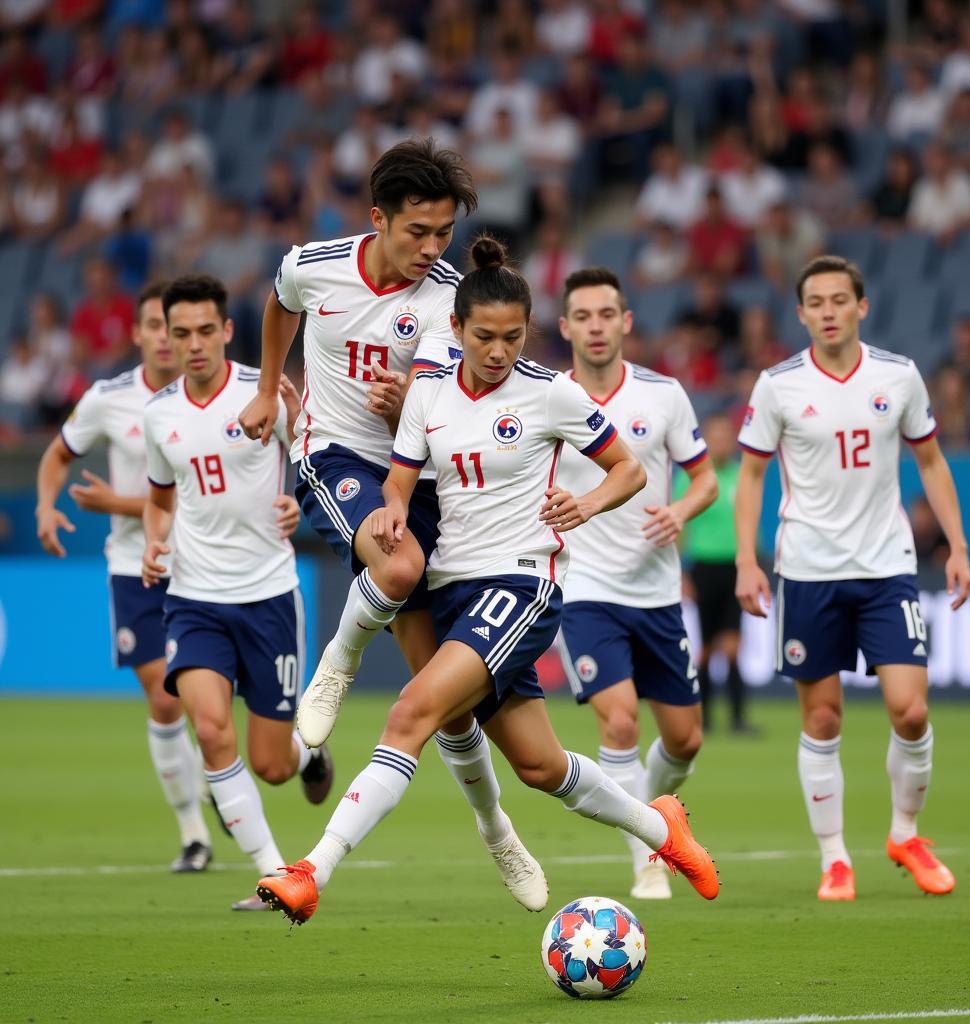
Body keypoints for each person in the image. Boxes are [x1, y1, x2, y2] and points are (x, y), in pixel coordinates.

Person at [255, 237, 720, 924]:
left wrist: (586, 505)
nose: (499, 351)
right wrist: (386, 512)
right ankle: (661, 828)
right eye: (484, 337)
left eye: (511, 336)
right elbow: (401, 483)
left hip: (521, 584)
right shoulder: (427, 397)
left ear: (527, 330)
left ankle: (310, 870)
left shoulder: (551, 393)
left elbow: (629, 468)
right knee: (540, 767)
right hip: (450, 584)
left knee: (412, 712)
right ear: (457, 330)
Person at [238, 138, 546, 910]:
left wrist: (411, 394)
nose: (432, 249)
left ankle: (496, 831)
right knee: (399, 566)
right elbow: (279, 304)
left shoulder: (449, 295)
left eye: (444, 233)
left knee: (447, 700)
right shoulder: (315, 264)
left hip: (419, 475)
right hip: (336, 454)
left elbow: (446, 390)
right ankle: (336, 667)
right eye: (418, 231)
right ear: (379, 218)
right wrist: (271, 387)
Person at [734, 255, 970, 901]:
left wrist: (956, 546)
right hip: (807, 572)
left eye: (841, 300)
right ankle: (834, 858)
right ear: (802, 312)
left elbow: (930, 459)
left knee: (911, 708)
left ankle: (905, 832)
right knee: (822, 720)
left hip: (887, 567)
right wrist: (746, 560)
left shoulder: (899, 376)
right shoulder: (777, 385)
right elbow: (751, 476)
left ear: (862, 307)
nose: (830, 311)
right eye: (817, 301)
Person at [142, 274, 333, 912]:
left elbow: (315, 463)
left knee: (271, 765)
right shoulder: (159, 416)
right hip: (194, 598)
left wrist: (295, 509)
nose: (193, 344)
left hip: (269, 595)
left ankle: (308, 755)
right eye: (180, 332)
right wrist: (153, 539)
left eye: (205, 330)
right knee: (212, 731)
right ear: (167, 338)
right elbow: (160, 498)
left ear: (226, 330)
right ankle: (273, 873)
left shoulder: (267, 393)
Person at [35, 281, 213, 875]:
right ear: (137, 333)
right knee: (166, 696)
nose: (167, 338)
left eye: (176, 327)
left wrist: (119, 504)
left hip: (201, 558)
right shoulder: (108, 398)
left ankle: (238, 765)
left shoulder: (211, 400)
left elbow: (199, 499)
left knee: (206, 697)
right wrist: (45, 505)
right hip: (132, 566)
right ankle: (194, 832)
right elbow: (59, 453)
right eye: (156, 327)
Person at [554, 267, 718, 901]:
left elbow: (703, 477)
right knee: (619, 724)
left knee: (685, 739)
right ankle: (650, 855)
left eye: (606, 314)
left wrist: (680, 511)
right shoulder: (548, 397)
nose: (596, 326)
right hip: (583, 587)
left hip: (657, 593)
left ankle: (660, 814)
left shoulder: (663, 395)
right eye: (583, 316)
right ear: (566, 327)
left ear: (625, 322)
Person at [678, 412, 755, 734]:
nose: (722, 442)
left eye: (726, 435)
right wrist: (682, 574)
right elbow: (679, 527)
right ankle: (705, 720)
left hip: (735, 568)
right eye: (716, 436)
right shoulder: (691, 479)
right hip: (703, 569)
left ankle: (737, 719)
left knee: (734, 646)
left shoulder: (742, 476)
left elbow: (751, 524)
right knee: (706, 648)